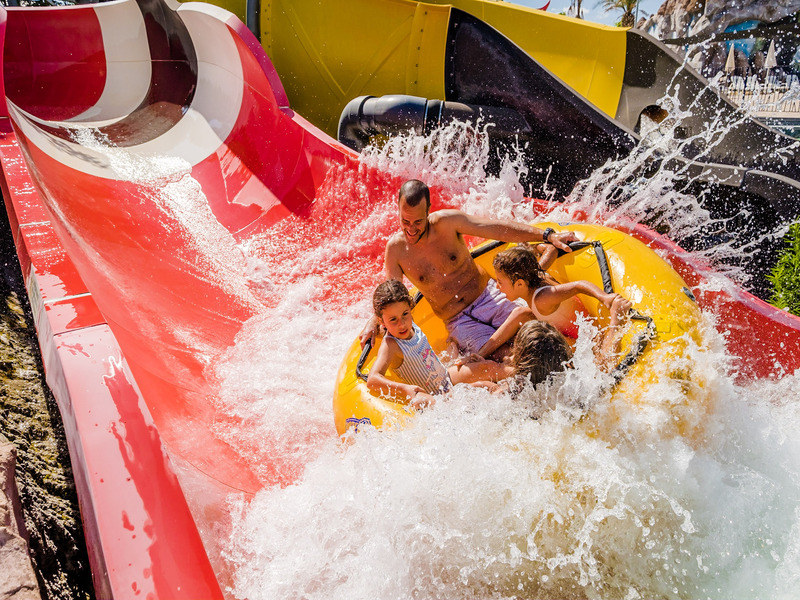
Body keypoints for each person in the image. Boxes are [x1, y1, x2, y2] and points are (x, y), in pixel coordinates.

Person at [360, 179, 579, 360]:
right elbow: (393, 295)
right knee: (504, 357)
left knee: (537, 337)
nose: (411, 229)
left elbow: (496, 229)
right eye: (404, 221)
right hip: (458, 320)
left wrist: (547, 235)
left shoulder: (447, 223)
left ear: (428, 211)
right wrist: (374, 321)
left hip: (489, 296)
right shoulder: (396, 250)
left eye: (417, 222)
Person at [366, 280, 511, 409]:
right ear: (381, 321)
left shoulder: (410, 325)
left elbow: (393, 323)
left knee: (488, 367)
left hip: (445, 377)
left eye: (405, 314)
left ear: (410, 308)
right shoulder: (390, 345)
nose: (402, 324)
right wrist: (406, 389)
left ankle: (519, 376)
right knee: (481, 388)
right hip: (435, 397)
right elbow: (372, 379)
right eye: (393, 320)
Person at [491, 244, 632, 344]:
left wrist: (604, 297)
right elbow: (551, 249)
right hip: (574, 334)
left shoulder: (543, 298)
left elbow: (578, 286)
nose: (497, 287)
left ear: (520, 284)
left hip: (591, 339)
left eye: (500, 282)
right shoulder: (537, 273)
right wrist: (533, 247)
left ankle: (616, 317)